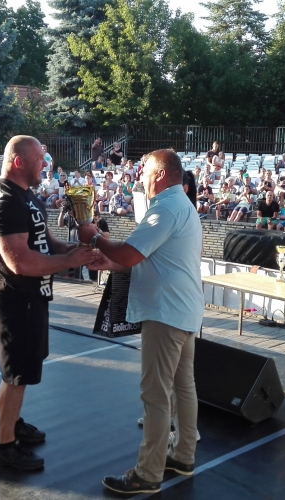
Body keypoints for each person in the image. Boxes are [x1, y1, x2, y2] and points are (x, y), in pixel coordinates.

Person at [76, 149, 203, 495]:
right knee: (183, 388)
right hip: (183, 311)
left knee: (156, 395)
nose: (140, 178)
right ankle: (183, 456)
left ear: (159, 174)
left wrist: (94, 236)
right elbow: (146, 258)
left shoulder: (165, 208)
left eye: (144, 171)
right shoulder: (181, 205)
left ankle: (148, 474)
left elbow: (131, 254)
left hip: (165, 314)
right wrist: (109, 261)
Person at [0, 135, 98, 470]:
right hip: (15, 297)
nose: (45, 166)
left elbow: (42, 239)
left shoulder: (24, 195)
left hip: (32, 296)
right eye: (39, 161)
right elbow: (19, 261)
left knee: (21, 371)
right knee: (16, 375)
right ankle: (5, 447)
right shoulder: (5, 202)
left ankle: (12, 423)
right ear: (18, 162)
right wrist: (68, 262)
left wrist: (73, 251)